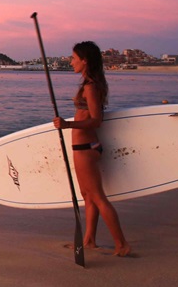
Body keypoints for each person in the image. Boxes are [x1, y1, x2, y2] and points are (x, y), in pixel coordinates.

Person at [52, 41, 131, 257]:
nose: (71, 62)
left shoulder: (90, 86)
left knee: (96, 196)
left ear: (84, 60)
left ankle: (121, 244)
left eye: (74, 58)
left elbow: (97, 120)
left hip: (86, 147)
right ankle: (89, 240)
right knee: (87, 196)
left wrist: (68, 125)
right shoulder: (90, 83)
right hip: (86, 146)